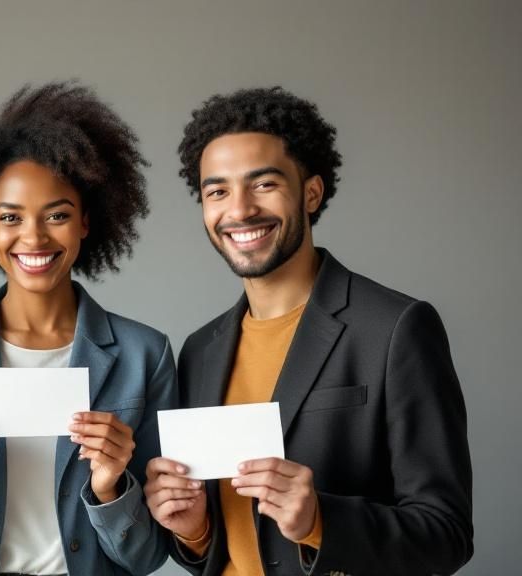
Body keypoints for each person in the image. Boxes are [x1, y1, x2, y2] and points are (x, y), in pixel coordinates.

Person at [144, 86, 473, 575]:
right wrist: (194, 531)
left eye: (264, 184)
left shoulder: (395, 328)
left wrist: (322, 520)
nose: (238, 210)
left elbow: (446, 535)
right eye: (217, 191)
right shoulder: (200, 349)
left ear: (311, 192)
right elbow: (228, 547)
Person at [0, 82, 178, 576]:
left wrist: (111, 487)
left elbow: (151, 555)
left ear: (85, 222)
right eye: (10, 217)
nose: (33, 237)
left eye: (57, 215)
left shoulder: (145, 354)